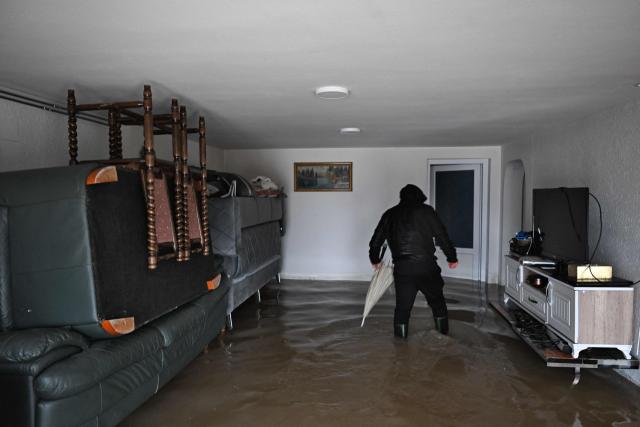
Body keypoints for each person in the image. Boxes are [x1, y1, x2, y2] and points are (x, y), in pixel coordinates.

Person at [369, 184, 458, 338]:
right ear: (419, 196)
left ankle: (400, 350)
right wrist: (452, 257)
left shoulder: (389, 214)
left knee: (402, 309)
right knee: (437, 304)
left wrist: (375, 259)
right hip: (427, 267)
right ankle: (445, 340)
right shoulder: (427, 211)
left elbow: (376, 241)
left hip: (403, 269)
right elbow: (442, 235)